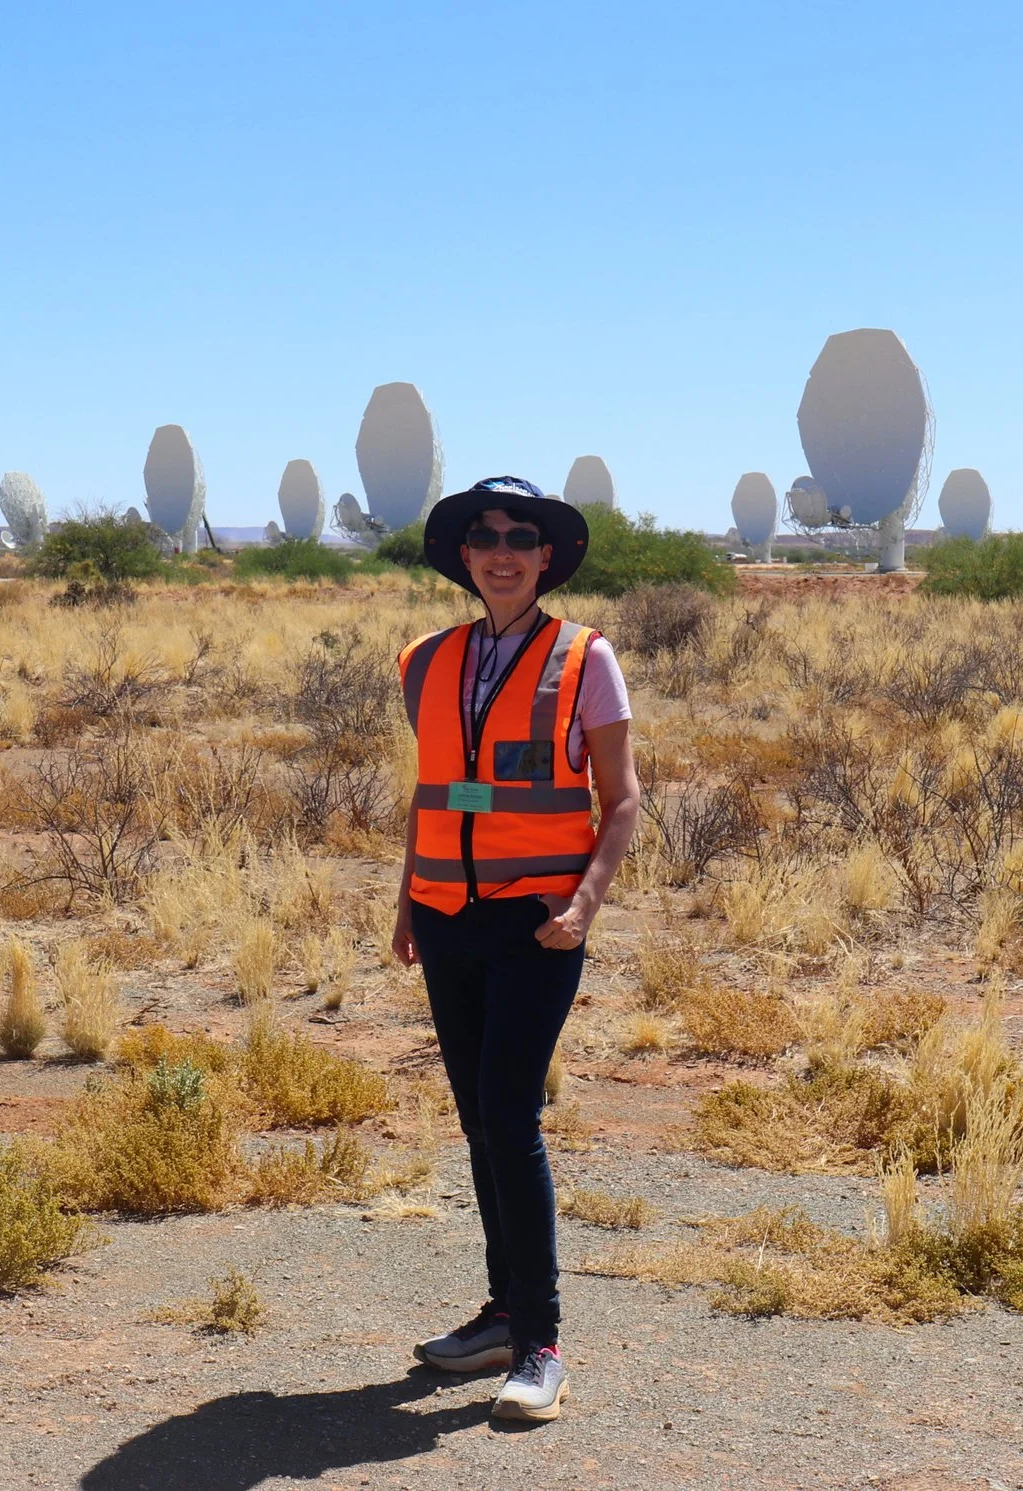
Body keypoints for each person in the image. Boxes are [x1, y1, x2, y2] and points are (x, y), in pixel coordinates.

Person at [392, 476, 641, 1424]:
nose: (502, 550)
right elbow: (440, 789)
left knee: (511, 1110)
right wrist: (407, 897)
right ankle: (500, 1315)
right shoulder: (426, 661)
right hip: (448, 912)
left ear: (547, 557)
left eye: (521, 537)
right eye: (485, 535)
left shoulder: (587, 659)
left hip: (538, 922)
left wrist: (583, 904)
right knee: (476, 1118)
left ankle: (541, 1341)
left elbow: (621, 801)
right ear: (465, 555)